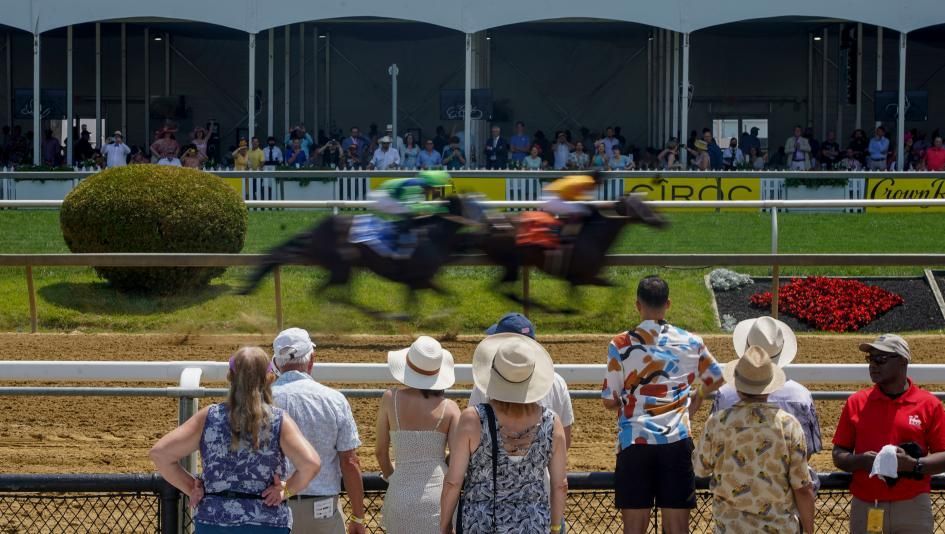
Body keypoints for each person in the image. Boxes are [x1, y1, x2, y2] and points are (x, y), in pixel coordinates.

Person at [150, 347, 321, 534]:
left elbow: (160, 454)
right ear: (269, 378)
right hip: (266, 522)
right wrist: (286, 490)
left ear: (230, 377)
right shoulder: (279, 420)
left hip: (214, 521)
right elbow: (311, 464)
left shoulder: (209, 417)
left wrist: (191, 487)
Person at [601, 276, 723, 534]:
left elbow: (609, 400)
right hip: (676, 440)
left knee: (634, 530)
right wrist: (695, 397)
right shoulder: (691, 341)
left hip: (634, 441)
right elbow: (716, 377)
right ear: (668, 304)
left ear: (638, 305)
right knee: (677, 529)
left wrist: (627, 400)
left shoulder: (620, 344)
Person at [440, 333, 568, 534]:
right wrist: (555, 527)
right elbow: (560, 485)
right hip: (533, 524)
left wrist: (445, 524)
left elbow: (454, 481)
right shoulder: (552, 423)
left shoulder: (473, 419)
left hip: (482, 524)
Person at [694, 346, 815, 534]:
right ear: (769, 387)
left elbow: (700, 469)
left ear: (738, 387)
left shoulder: (717, 423)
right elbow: (802, 487)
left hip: (731, 528)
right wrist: (809, 529)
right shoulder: (788, 425)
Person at [833, 334, 945, 534]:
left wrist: (914, 465)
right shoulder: (856, 403)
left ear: (902, 361)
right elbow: (838, 453)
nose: (873, 365)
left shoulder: (929, 405)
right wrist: (861, 461)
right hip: (867, 505)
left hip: (912, 506)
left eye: (880, 359)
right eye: (870, 359)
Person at [270, 328, 365, 534]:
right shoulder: (334, 400)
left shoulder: (260, 400)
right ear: (311, 360)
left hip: (273, 507)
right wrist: (358, 516)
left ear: (277, 363)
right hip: (322, 509)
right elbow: (349, 462)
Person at [711, 317, 823, 490]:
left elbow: (712, 450)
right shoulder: (801, 396)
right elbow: (807, 452)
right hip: (785, 494)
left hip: (734, 490)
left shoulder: (725, 395)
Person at [377, 336, 460, 534]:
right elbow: (457, 459)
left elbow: (380, 452)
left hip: (400, 493)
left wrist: (393, 477)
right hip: (437, 496)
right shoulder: (450, 409)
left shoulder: (390, 399)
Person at [469, 313, 574, 448]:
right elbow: (564, 442)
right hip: (542, 467)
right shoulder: (557, 383)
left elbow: (473, 434)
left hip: (493, 467)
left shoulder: (484, 385)